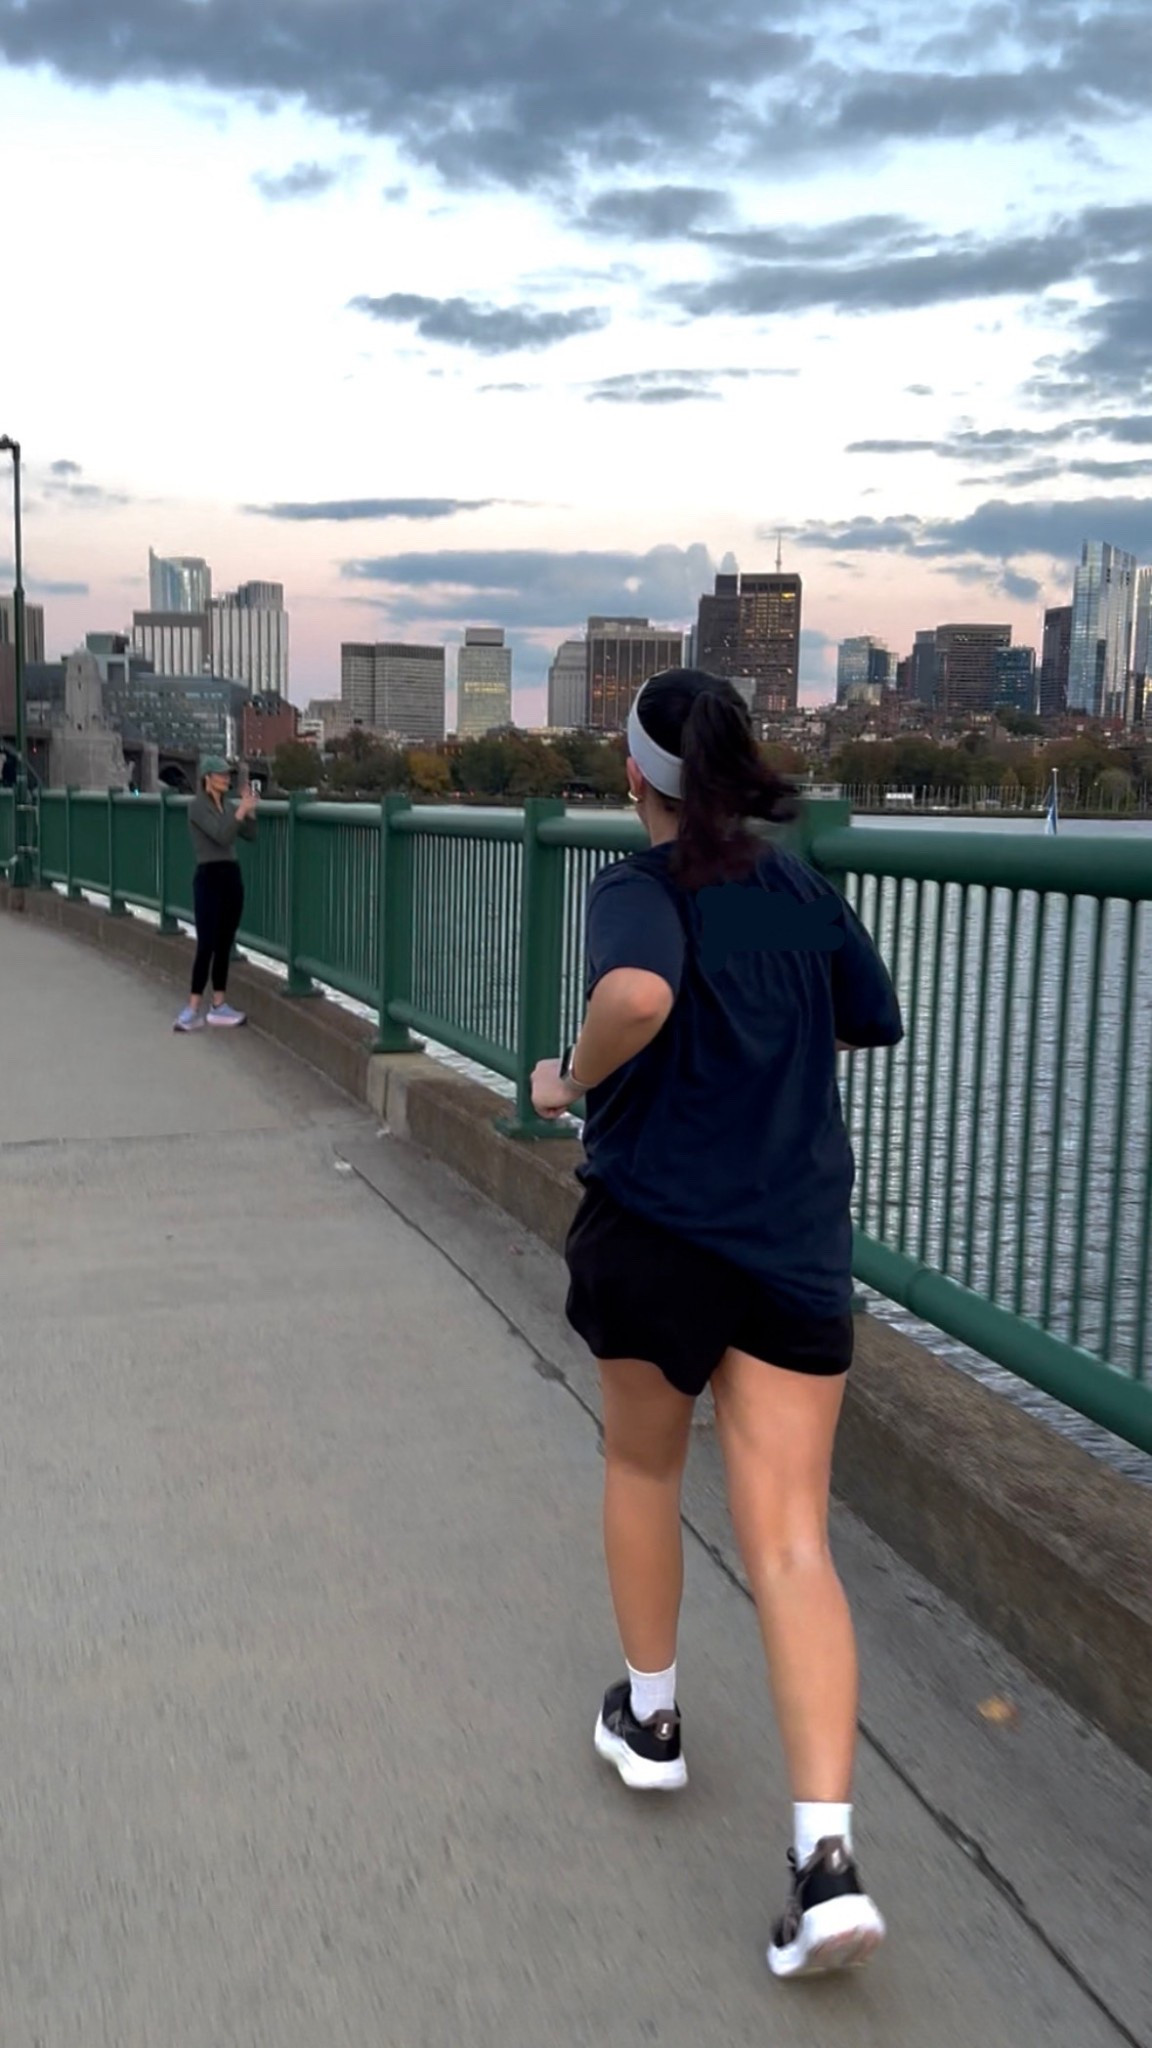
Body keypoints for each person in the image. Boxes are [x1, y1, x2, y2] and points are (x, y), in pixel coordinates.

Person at [531, 670, 903, 1982]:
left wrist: (567, 1076)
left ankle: (653, 1719)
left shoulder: (639, 885)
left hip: (664, 1232)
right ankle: (826, 1866)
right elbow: (870, 1017)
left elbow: (637, 997)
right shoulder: (800, 891)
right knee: (794, 1539)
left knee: (643, 1464)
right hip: (794, 1243)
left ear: (636, 781)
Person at [173, 757, 258, 1032]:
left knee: (224, 942)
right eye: (221, 775)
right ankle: (192, 1007)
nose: (226, 779)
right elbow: (222, 836)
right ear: (207, 777)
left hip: (231, 876)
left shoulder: (229, 805)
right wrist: (240, 811)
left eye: (228, 775)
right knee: (206, 943)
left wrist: (249, 809)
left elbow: (250, 835)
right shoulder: (197, 806)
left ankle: (219, 1005)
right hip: (208, 877)